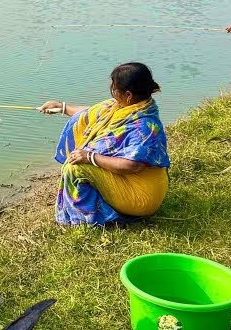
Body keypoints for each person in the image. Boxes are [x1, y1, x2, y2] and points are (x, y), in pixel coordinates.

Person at [37, 63, 171, 227]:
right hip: (126, 180)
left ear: (128, 95)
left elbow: (133, 166)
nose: (112, 92)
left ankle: (83, 221)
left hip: (142, 194)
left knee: (76, 167)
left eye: (114, 88)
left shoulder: (145, 127)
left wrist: (90, 157)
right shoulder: (121, 108)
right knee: (81, 159)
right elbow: (90, 114)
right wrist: (61, 107)